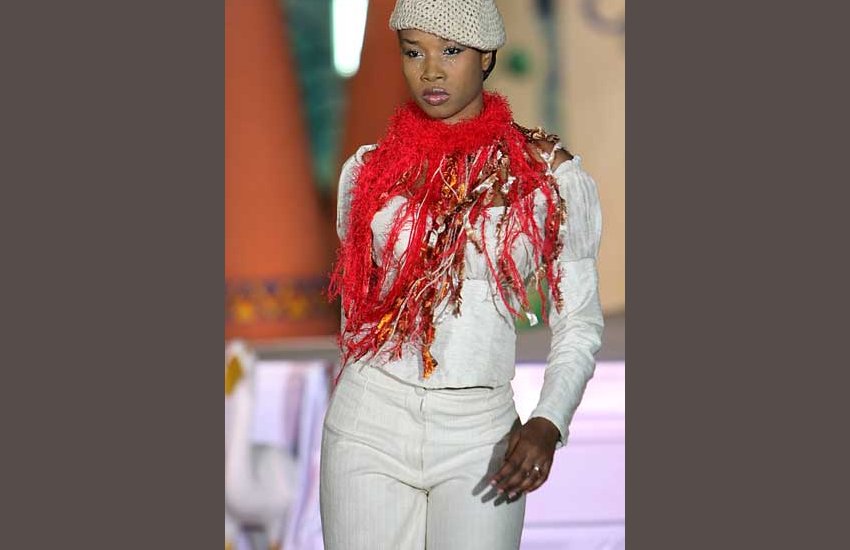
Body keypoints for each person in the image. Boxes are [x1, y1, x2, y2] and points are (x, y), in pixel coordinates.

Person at [320, 1, 604, 548]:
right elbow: (356, 312)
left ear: (487, 56)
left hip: (480, 433)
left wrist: (549, 421)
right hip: (367, 422)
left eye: (451, 50)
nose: (431, 71)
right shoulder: (368, 171)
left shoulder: (546, 177)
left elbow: (579, 320)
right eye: (414, 52)